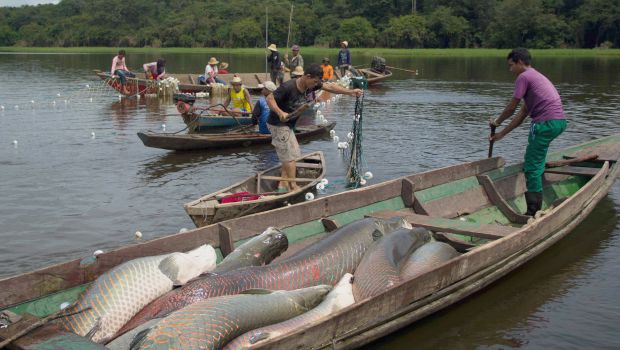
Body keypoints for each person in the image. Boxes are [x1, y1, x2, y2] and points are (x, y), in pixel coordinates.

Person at [489, 48, 567, 217]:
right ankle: (538, 178)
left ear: (520, 62)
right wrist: (501, 134)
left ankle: (533, 211)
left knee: (531, 167)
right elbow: (523, 113)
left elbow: (512, 107)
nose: (510, 70)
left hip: (544, 124)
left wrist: (497, 122)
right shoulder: (536, 76)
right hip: (558, 122)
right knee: (536, 159)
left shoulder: (523, 77)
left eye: (511, 66)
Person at [266, 63, 363, 192]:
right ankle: (292, 186)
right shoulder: (288, 87)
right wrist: (280, 113)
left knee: (292, 154)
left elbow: (330, 86)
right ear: (307, 76)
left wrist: (350, 92)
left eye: (317, 82)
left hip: (289, 125)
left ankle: (283, 184)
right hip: (278, 124)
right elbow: (270, 98)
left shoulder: (311, 84)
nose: (316, 84)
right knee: (289, 155)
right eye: (314, 81)